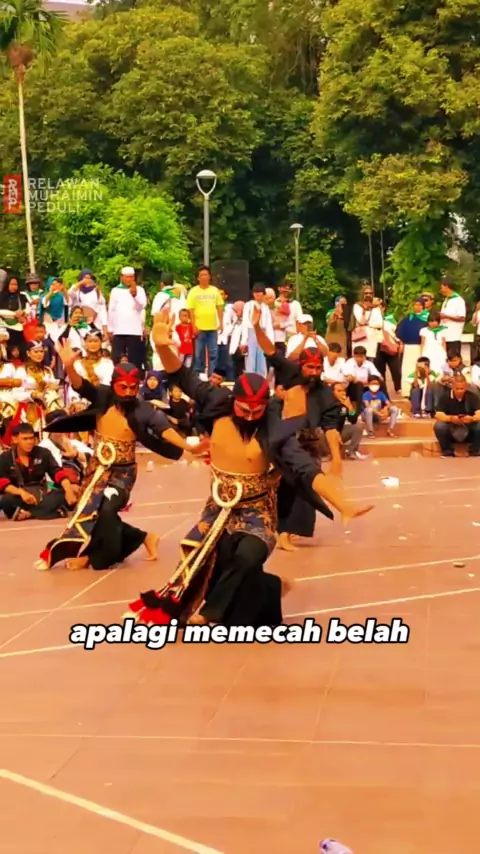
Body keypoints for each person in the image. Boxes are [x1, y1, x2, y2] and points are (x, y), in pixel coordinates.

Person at [127, 313, 373, 627]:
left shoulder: (273, 430)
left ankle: (211, 611)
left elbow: (306, 469)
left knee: (248, 556)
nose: (250, 414)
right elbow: (181, 375)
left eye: (257, 410)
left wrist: (342, 504)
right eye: (244, 408)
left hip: (259, 513)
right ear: (234, 401)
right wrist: (162, 346)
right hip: (218, 508)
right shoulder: (216, 401)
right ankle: (271, 588)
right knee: (207, 561)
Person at [35, 341, 208, 572]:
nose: (128, 392)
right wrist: (68, 366)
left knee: (106, 510)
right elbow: (80, 386)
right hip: (96, 469)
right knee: (92, 512)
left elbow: (163, 429)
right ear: (114, 385)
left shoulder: (142, 409)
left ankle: (93, 558)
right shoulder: (103, 397)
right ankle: (143, 537)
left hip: (122, 475)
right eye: (123, 387)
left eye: (133, 388)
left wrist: (188, 446)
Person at [0, 423, 77, 521]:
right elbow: (3, 483)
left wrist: (69, 490)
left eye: (31, 438)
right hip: (18, 495)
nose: (29, 442)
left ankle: (29, 513)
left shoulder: (43, 453)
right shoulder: (5, 458)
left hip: (40, 494)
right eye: (25, 439)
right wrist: (21, 493)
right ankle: (50, 511)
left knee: (65, 493)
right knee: (6, 500)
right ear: (15, 439)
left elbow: (58, 473)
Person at [187, 266, 223, 376]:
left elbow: (219, 307)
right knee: (199, 354)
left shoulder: (215, 290)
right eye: (201, 275)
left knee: (213, 353)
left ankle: (212, 376)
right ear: (198, 278)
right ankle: (199, 376)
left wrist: (221, 322)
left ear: (209, 277)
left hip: (212, 327)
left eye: (205, 275)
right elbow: (191, 309)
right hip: (199, 327)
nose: (203, 277)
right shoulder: (193, 291)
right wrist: (193, 325)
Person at [107, 266, 147, 369]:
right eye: (127, 277)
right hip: (118, 330)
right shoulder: (115, 290)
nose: (129, 279)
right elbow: (111, 310)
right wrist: (110, 328)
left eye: (131, 277)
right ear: (122, 277)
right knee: (117, 358)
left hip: (134, 330)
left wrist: (135, 295)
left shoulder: (140, 290)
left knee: (135, 360)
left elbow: (141, 307)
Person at [434, 374, 480, 457]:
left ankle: (475, 450)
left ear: (466, 386)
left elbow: (479, 413)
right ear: (452, 386)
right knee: (439, 426)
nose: (460, 391)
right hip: (451, 428)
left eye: (462, 388)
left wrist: (472, 418)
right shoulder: (444, 397)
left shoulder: (472, 397)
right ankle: (447, 451)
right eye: (457, 388)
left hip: (468, 428)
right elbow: (438, 415)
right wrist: (451, 418)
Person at [395, 298, 428, 397]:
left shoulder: (427, 318)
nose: (417, 307)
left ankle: (420, 389)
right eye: (415, 304)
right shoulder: (409, 317)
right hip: (408, 347)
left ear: (423, 306)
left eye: (419, 305)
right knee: (407, 368)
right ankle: (406, 390)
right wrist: (402, 343)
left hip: (421, 347)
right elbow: (399, 331)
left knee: (419, 368)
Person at [439, 277, 466, 356]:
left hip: (453, 336)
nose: (441, 290)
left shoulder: (458, 300)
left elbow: (462, 318)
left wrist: (446, 316)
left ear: (446, 286)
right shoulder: (446, 300)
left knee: (454, 358)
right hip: (444, 336)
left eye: (442, 287)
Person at [419, 309, 448, 374]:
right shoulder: (424, 330)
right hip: (428, 352)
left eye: (435, 321)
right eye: (431, 321)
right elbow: (422, 343)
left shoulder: (442, 330)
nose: (432, 323)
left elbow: (443, 343)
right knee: (429, 368)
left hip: (439, 352)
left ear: (438, 321)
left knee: (439, 369)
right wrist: (421, 354)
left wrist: (445, 354)